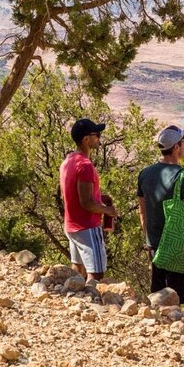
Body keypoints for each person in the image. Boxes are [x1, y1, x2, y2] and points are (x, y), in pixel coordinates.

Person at [137, 125, 184, 304]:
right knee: (178, 301)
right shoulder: (183, 176)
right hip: (178, 248)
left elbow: (142, 213)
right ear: (176, 147)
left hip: (156, 248)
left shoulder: (145, 174)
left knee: (159, 300)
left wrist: (148, 242)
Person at [59, 118, 117, 282]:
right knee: (96, 272)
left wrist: (99, 196)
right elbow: (86, 203)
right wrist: (108, 210)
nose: (99, 138)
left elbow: (68, 194)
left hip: (71, 225)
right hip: (87, 226)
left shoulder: (68, 161)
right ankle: (93, 304)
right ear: (86, 139)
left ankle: (77, 301)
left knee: (78, 269)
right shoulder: (85, 165)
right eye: (97, 135)